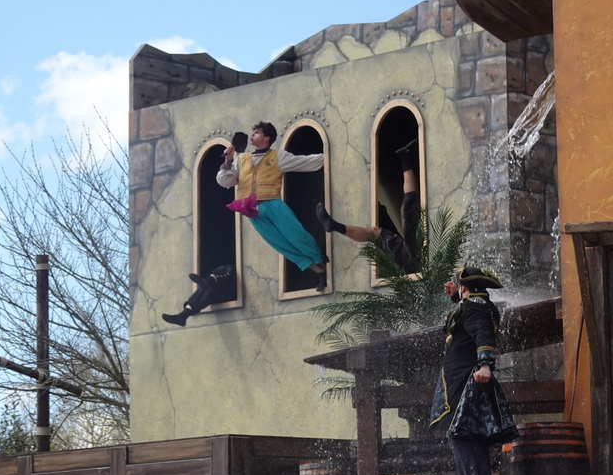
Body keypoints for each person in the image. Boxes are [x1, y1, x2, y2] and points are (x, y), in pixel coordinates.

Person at [429, 266, 518, 475]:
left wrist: (486, 365)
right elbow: (467, 319)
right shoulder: (476, 303)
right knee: (468, 436)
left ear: (465, 287)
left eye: (459, 287)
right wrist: (456, 295)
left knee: (465, 435)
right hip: (463, 381)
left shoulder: (475, 307)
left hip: (467, 382)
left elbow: (482, 333)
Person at [217, 122, 328, 291]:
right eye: (252, 132)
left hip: (273, 203)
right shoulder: (241, 159)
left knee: (296, 235)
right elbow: (225, 181)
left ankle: (319, 258)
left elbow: (305, 162)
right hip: (252, 210)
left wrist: (330, 155)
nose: (252, 134)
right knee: (280, 244)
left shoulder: (278, 157)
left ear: (266, 138)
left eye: (256, 132)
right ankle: (318, 271)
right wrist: (228, 160)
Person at [315, 138, 420, 272]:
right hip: (409, 263)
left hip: (409, 263)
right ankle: (405, 158)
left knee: (406, 215)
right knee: (399, 219)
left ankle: (336, 226)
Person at [161, 265, 235, 326]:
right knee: (206, 290)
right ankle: (208, 282)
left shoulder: (231, 270)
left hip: (228, 291)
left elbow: (229, 276)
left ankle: (183, 316)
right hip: (216, 291)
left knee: (209, 289)